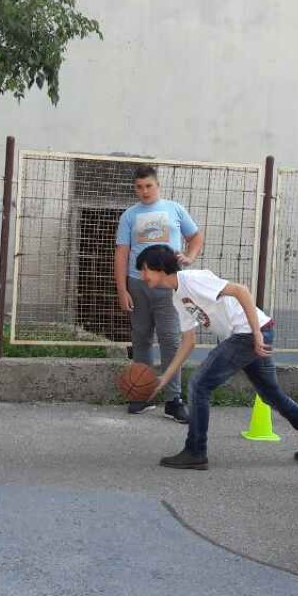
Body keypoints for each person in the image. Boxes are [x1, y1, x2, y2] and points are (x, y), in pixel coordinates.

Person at [133, 245, 298, 470]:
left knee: (199, 385)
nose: (142, 275)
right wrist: (164, 378)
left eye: (145, 269)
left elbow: (241, 290)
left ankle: (195, 451)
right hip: (250, 333)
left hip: (248, 333)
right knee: (272, 395)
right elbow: (188, 342)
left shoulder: (193, 280)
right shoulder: (177, 297)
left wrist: (256, 334)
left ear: (160, 267)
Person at [115, 165, 204, 422]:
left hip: (167, 286)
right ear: (135, 188)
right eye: (139, 187)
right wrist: (122, 289)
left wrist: (189, 256)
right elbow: (121, 253)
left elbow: (196, 237)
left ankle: (173, 400)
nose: (144, 191)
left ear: (157, 185)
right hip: (138, 284)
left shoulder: (174, 209)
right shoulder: (129, 215)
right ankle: (141, 395)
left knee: (170, 340)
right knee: (141, 338)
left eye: (149, 186)